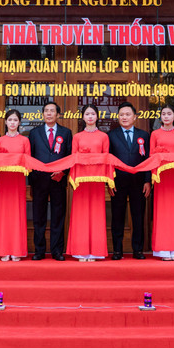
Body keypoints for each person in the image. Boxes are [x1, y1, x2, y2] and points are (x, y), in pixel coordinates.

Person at [28, 101, 72, 261]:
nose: (49, 113)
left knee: (58, 216)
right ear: (43, 114)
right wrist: (31, 180)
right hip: (39, 181)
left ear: (58, 114)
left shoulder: (66, 133)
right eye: (46, 111)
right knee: (38, 217)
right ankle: (39, 251)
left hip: (58, 181)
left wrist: (63, 172)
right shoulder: (34, 133)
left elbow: (69, 156)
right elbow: (30, 157)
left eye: (52, 111)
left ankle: (57, 251)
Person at [67, 104, 110, 261]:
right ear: (83, 117)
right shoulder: (77, 137)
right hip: (81, 181)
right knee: (81, 213)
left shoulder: (104, 137)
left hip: (97, 180)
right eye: (87, 114)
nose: (90, 116)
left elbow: (106, 159)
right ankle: (81, 251)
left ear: (97, 117)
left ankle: (96, 251)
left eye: (93, 114)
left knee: (96, 213)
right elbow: (73, 158)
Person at [107, 102, 151, 260]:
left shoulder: (144, 135)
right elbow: (108, 161)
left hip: (138, 182)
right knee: (117, 216)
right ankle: (117, 250)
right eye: (121, 115)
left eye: (127, 115)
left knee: (138, 216)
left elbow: (147, 159)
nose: (124, 117)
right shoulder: (111, 135)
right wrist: (109, 182)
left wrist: (148, 181)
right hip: (118, 181)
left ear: (134, 117)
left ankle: (137, 250)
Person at [0, 109, 31, 261]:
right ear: (5, 122)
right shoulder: (0, 140)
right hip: (3, 180)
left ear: (19, 122)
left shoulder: (24, 141)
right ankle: (3, 249)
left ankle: (16, 250)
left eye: (15, 120)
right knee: (2, 214)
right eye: (10, 120)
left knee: (16, 213)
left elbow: (28, 162)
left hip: (17, 180)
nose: (12, 123)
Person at [150, 104, 174, 261]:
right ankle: (163, 249)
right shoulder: (154, 134)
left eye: (169, 114)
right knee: (162, 211)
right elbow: (151, 156)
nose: (166, 116)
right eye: (163, 114)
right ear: (160, 117)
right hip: (161, 176)